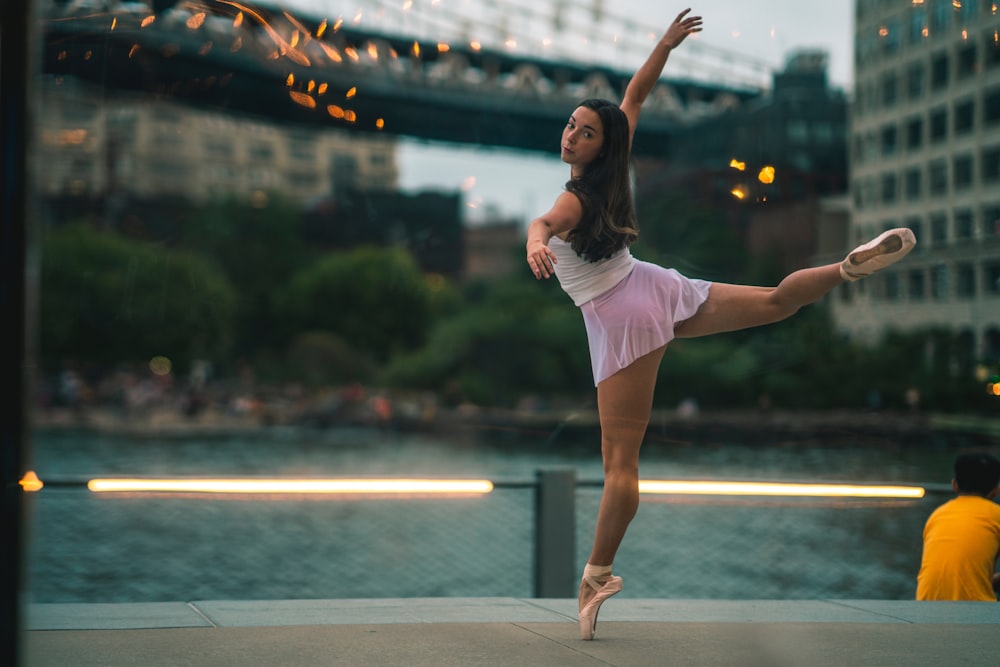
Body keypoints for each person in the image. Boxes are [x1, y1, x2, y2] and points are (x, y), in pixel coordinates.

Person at [524, 8, 917, 640]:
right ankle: (844, 269)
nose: (572, 137)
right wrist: (666, 43)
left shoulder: (576, 197)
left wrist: (533, 243)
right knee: (772, 302)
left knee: (620, 462)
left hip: (622, 318)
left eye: (586, 133)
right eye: (572, 125)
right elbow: (634, 96)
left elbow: (545, 221)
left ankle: (596, 575)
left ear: (605, 145)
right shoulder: (614, 174)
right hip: (654, 287)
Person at [916, 452, 1000, 601]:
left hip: (924, 608)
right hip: (975, 612)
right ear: (995, 490)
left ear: (954, 485)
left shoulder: (937, 514)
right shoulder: (995, 514)